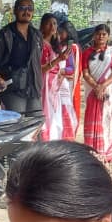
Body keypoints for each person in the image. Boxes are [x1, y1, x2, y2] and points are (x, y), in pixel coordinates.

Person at [0, 0, 43, 116]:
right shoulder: (5, 34)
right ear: (15, 11)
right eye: (22, 8)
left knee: (36, 123)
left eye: (30, 8)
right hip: (12, 89)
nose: (26, 11)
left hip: (33, 88)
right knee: (17, 123)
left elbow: (37, 62)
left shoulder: (37, 35)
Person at [81, 24, 112, 162]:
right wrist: (96, 87)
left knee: (107, 121)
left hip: (108, 91)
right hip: (92, 92)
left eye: (104, 34)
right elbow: (85, 73)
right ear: (94, 35)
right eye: (98, 34)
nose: (101, 37)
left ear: (108, 36)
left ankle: (106, 154)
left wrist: (102, 86)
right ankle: (92, 152)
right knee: (91, 120)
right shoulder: (87, 53)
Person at [39, 12, 79, 141]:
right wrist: (58, 60)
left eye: (55, 23)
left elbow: (71, 68)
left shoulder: (56, 46)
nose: (52, 26)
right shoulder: (40, 45)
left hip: (55, 86)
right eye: (49, 23)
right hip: (44, 85)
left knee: (55, 118)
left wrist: (61, 71)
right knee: (46, 116)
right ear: (42, 26)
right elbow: (40, 68)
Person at [56, 19, 83, 138]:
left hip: (68, 85)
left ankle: (67, 136)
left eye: (61, 32)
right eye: (58, 32)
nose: (59, 35)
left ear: (68, 32)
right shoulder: (59, 46)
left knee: (67, 111)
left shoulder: (71, 48)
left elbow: (73, 68)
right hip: (58, 83)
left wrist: (61, 71)